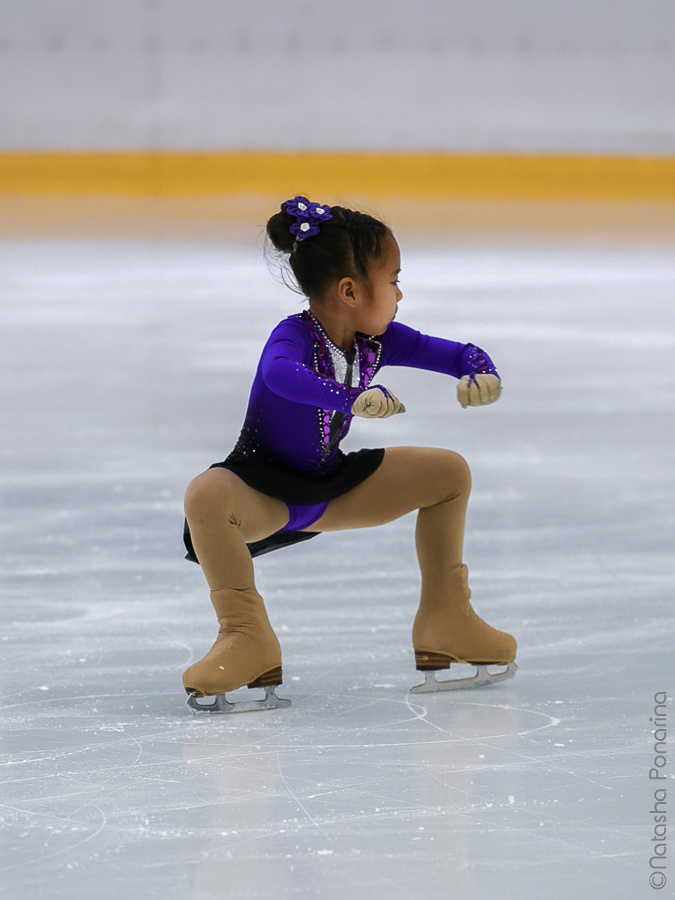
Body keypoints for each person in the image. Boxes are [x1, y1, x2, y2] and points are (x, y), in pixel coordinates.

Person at [182, 197, 516, 713]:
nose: (401, 295)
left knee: (448, 473)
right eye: (395, 280)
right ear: (351, 291)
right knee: (206, 495)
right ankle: (246, 635)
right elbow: (278, 375)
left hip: (331, 487)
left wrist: (481, 371)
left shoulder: (376, 343)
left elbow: (453, 353)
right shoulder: (293, 336)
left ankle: (448, 617)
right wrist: (349, 398)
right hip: (262, 494)